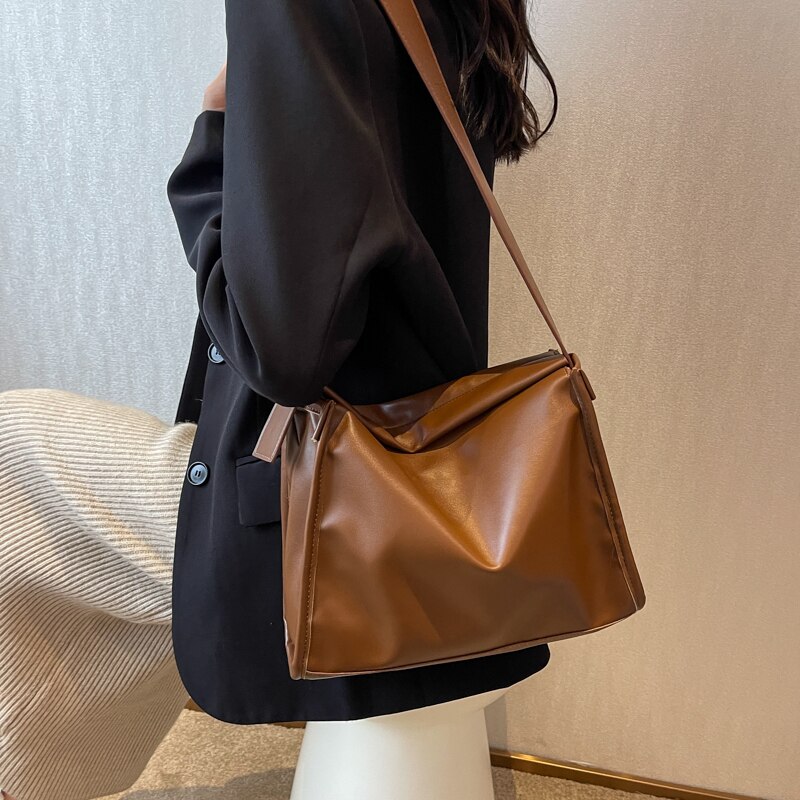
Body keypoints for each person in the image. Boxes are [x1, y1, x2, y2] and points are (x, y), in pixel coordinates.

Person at [0, 0, 558, 796]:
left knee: (11, 455)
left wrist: (212, 144)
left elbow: (283, 354)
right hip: (439, 485)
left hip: (317, 514)